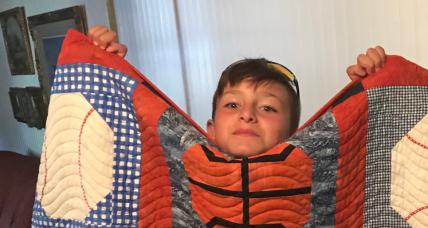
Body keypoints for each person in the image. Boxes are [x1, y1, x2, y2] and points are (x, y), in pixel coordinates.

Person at [87, 25, 386, 158]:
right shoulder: (182, 172)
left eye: (268, 108)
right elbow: (121, 143)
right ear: (211, 130)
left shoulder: (316, 175)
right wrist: (103, 65)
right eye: (232, 105)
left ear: (296, 134)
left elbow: (369, 159)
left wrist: (368, 91)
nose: (247, 115)